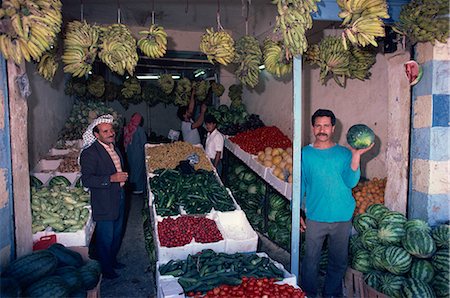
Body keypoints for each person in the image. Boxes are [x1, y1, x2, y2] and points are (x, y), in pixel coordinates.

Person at [300, 109, 374, 298]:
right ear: (313, 127)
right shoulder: (304, 154)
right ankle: (308, 293)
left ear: (333, 128)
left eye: (326, 125)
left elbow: (351, 182)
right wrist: (298, 211)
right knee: (310, 261)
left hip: (342, 216)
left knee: (338, 261)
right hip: (316, 216)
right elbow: (300, 185)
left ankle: (331, 293)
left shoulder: (344, 153)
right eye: (318, 125)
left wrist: (356, 156)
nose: (322, 129)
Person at [80, 114, 128, 279]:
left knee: (116, 233)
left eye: (111, 129)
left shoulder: (113, 147)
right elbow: (86, 180)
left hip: (119, 195)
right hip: (104, 201)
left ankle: (112, 261)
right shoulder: (90, 153)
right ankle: (105, 268)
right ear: (96, 135)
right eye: (105, 131)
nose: (111, 133)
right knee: (105, 237)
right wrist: (111, 178)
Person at [123, 112, 147, 195]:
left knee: (132, 170)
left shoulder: (127, 128)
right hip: (138, 154)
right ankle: (138, 188)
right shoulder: (139, 130)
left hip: (130, 153)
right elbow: (144, 143)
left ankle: (132, 187)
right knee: (138, 170)